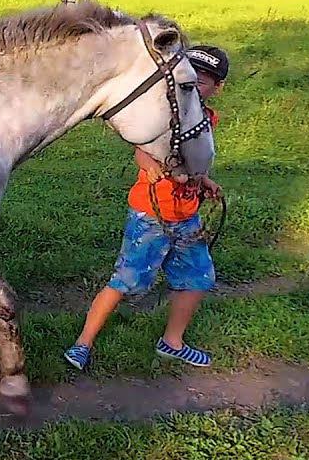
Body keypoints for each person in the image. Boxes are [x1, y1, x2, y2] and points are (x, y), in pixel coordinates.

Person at [64, 45, 230, 370]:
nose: (196, 86)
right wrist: (148, 161)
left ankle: (173, 342)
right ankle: (83, 343)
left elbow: (196, 159)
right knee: (126, 280)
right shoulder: (166, 115)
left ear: (218, 88)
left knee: (198, 278)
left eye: (205, 81)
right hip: (151, 215)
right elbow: (143, 145)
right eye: (191, 79)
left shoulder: (206, 120)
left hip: (187, 216)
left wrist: (203, 180)